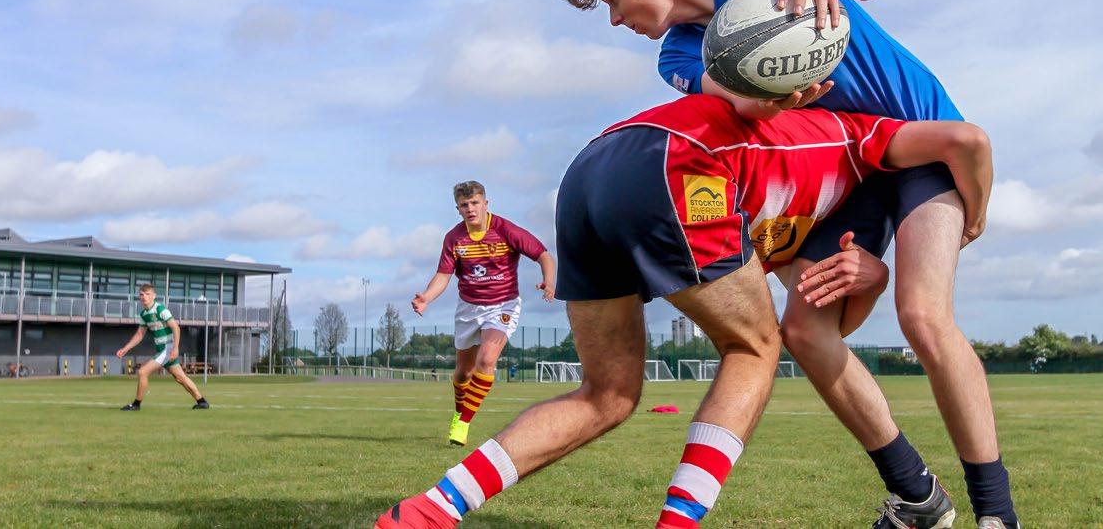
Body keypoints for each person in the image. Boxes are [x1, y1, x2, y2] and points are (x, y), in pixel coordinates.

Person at [557, 0, 1018, 529]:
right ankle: (917, 496)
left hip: (921, 143)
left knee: (923, 316)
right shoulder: (679, 55)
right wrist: (762, 101)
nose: (615, 19)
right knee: (804, 332)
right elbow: (743, 106)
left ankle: (998, 514)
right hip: (844, 168)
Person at [377, 95, 992, 529]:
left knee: (608, 395)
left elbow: (822, 325)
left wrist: (874, 280)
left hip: (589, 171)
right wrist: (974, 218)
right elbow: (965, 138)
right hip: (677, 161)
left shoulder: (797, 225)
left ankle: (430, 511)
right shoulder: (861, 139)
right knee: (753, 348)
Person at [412, 181, 557, 446]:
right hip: (469, 308)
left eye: (475, 203)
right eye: (464, 205)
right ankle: (459, 413)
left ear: (485, 203)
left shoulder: (506, 230)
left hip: (503, 305)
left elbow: (544, 255)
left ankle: (463, 423)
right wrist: (426, 298)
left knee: (487, 359)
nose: (470, 209)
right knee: (462, 373)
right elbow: (443, 275)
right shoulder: (454, 238)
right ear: (458, 209)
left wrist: (548, 280)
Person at [116, 284, 208, 411]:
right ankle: (202, 402)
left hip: (167, 348)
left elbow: (176, 328)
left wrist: (175, 348)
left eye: (147, 294)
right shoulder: (144, 314)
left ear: (154, 296)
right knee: (181, 378)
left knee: (143, 372)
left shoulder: (160, 309)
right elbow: (139, 334)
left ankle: (136, 405)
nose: (144, 297)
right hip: (162, 350)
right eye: (141, 294)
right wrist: (125, 348)